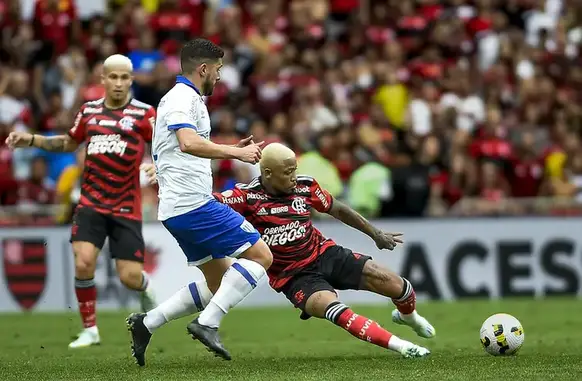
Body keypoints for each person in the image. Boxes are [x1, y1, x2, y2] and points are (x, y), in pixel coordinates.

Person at [141, 143, 435, 358]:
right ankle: (401, 346)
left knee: (398, 286)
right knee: (336, 310)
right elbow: (206, 203)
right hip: (294, 279)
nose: (294, 176)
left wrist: (375, 234)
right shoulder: (246, 196)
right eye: (287, 172)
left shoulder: (306, 187)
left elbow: (338, 209)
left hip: (324, 253)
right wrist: (167, 177)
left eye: (295, 169)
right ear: (267, 173)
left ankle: (408, 317)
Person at [126, 38, 273, 365]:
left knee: (219, 281)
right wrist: (237, 152)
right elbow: (188, 142)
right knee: (261, 255)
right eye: (218, 70)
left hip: (179, 207)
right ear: (203, 68)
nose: (220, 76)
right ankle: (207, 324)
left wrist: (230, 146)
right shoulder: (182, 98)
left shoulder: (184, 98)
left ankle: (147, 323)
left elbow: (183, 149)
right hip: (192, 205)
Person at [5, 54, 158, 348]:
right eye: (112, 77)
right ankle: (90, 330)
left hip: (126, 206)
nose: (118, 83)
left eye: (124, 77)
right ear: (102, 79)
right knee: (84, 262)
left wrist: (158, 165)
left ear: (131, 80)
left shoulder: (144, 114)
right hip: (90, 204)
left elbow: (167, 145)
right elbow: (68, 142)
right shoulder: (89, 112)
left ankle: (146, 286)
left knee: (129, 277)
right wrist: (33, 139)